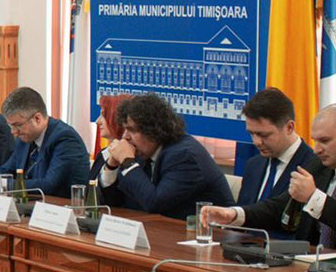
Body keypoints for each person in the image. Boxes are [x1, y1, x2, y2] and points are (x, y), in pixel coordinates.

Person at [202, 104, 336, 257]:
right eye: (315, 141)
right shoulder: (319, 166)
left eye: (325, 141)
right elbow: (280, 208)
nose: (317, 149)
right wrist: (235, 214)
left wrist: (314, 198)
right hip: (312, 267)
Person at [95, 93, 233, 219]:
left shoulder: (184, 156)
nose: (125, 136)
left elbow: (155, 203)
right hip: (162, 230)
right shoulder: (143, 151)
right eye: (125, 129)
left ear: (153, 130)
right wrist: (111, 166)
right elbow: (115, 203)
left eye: (132, 130)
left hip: (208, 234)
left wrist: (127, 162)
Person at [0, 87, 90, 195]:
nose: (13, 132)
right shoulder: (25, 138)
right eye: (11, 126)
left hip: (60, 204)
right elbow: (6, 171)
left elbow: (50, 185)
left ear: (37, 118)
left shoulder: (65, 139)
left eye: (18, 125)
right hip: (32, 203)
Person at [234, 87, 320, 207]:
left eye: (264, 135)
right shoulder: (253, 165)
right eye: (251, 133)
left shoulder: (314, 168)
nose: (256, 142)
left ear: (289, 127)